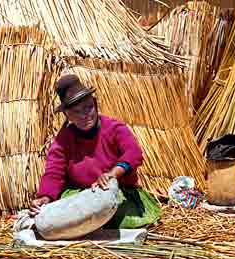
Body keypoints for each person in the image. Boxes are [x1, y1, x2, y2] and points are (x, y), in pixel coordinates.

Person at [29, 74, 161, 228]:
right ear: (67, 115)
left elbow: (134, 154)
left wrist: (112, 175)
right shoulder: (64, 139)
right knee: (65, 215)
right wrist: (45, 197)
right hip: (82, 195)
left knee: (112, 211)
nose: (84, 115)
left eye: (88, 107)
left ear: (96, 104)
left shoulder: (115, 128)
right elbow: (54, 171)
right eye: (76, 111)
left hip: (119, 192)